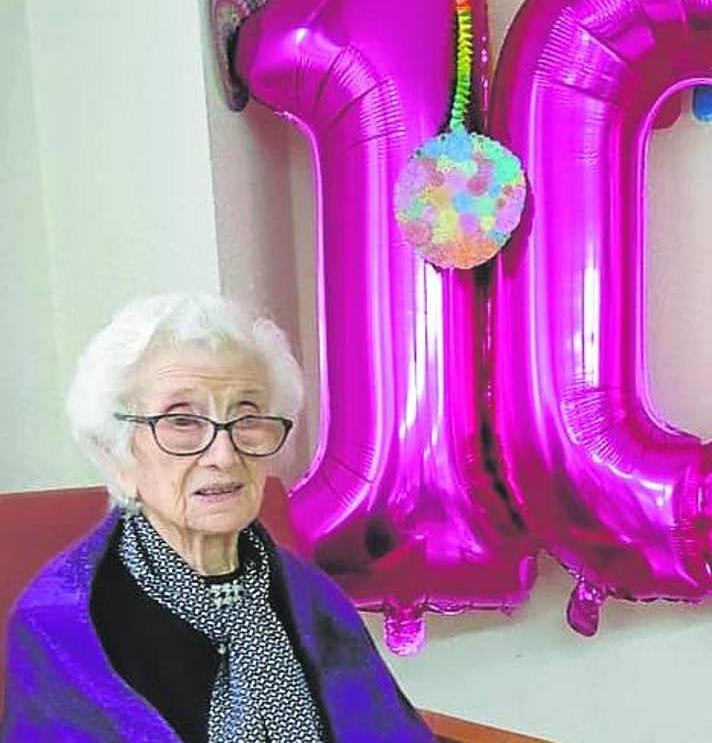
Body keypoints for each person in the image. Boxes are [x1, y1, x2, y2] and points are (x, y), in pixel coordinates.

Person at [0, 293, 435, 743]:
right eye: (182, 422)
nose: (224, 456)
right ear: (118, 456)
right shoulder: (61, 623)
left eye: (246, 419)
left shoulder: (307, 592)